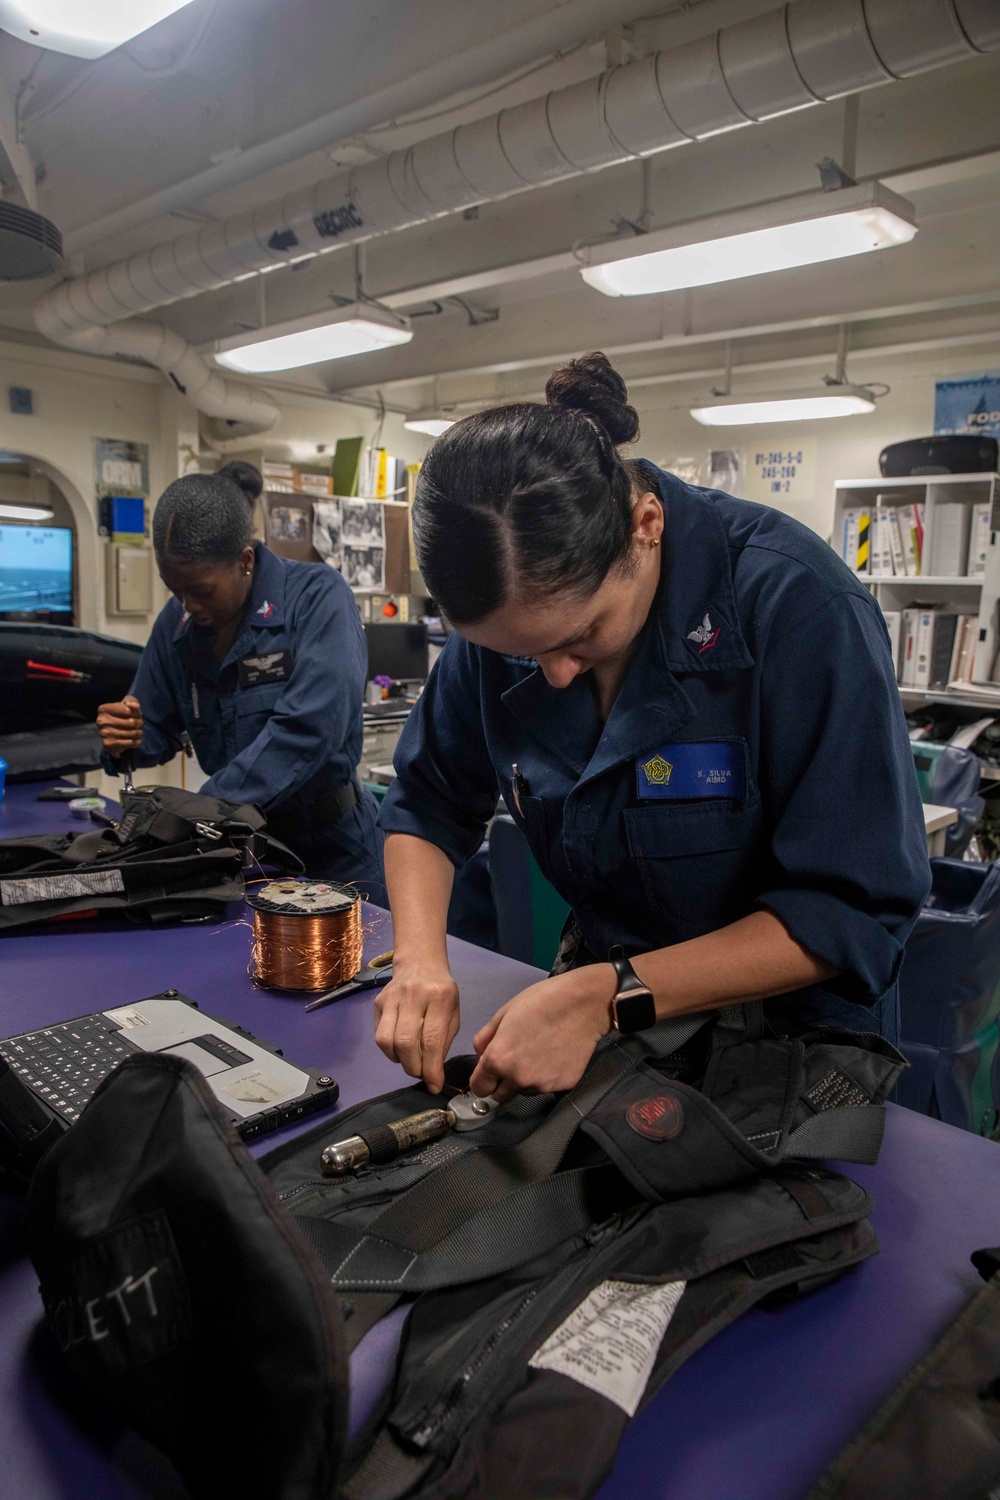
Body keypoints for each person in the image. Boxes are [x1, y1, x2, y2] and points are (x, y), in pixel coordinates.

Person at [374, 352, 930, 1102]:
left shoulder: (799, 607)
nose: (555, 674)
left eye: (580, 636)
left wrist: (607, 997)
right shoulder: (511, 625)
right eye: (519, 654)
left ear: (645, 526)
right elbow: (429, 799)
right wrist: (418, 961)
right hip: (607, 1005)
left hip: (790, 1046)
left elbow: (851, 908)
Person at [97, 460, 385, 899]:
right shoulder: (176, 623)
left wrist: (199, 810)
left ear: (244, 561)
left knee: (356, 965)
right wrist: (127, 737)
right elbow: (154, 725)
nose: (187, 604)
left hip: (331, 846)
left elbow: (308, 730)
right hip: (241, 850)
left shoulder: (317, 598)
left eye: (201, 590)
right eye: (174, 589)